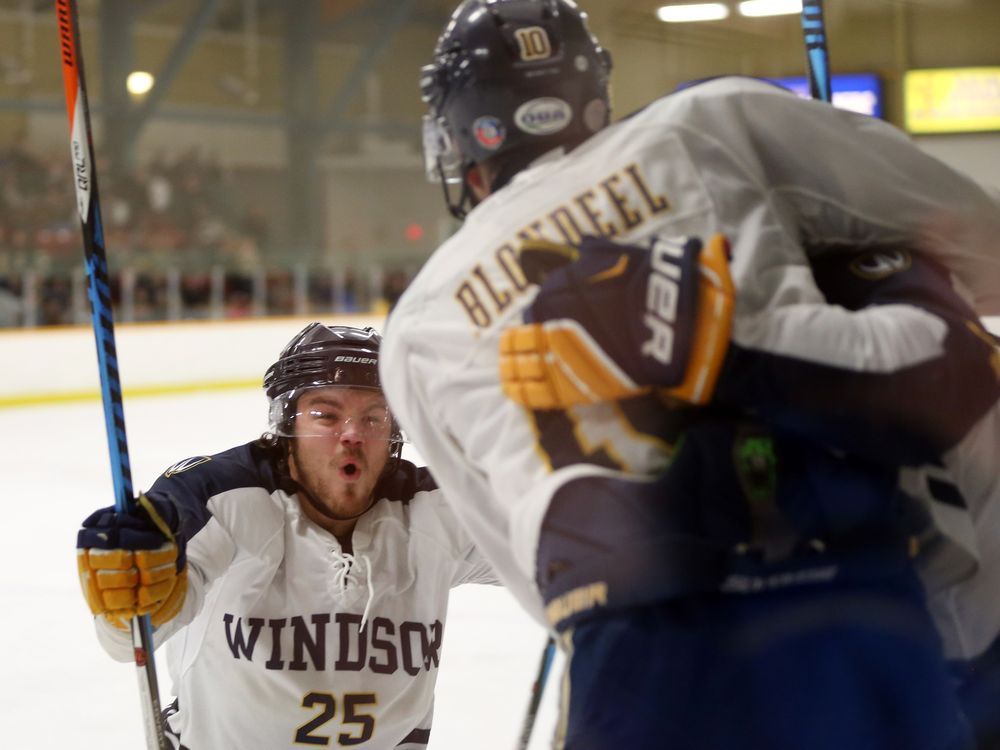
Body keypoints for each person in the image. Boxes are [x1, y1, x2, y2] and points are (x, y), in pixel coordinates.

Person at [380, 1, 1000, 748]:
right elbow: (981, 242)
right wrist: (864, 275)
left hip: (628, 656)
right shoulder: (709, 122)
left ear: (462, 135)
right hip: (843, 600)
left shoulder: (418, 325)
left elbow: (536, 578)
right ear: (594, 93)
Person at [76, 323, 496, 749]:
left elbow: (537, 553)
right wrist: (129, 603)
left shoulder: (434, 510)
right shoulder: (223, 499)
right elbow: (129, 641)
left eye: (373, 417)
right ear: (285, 423)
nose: (352, 434)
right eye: (326, 415)